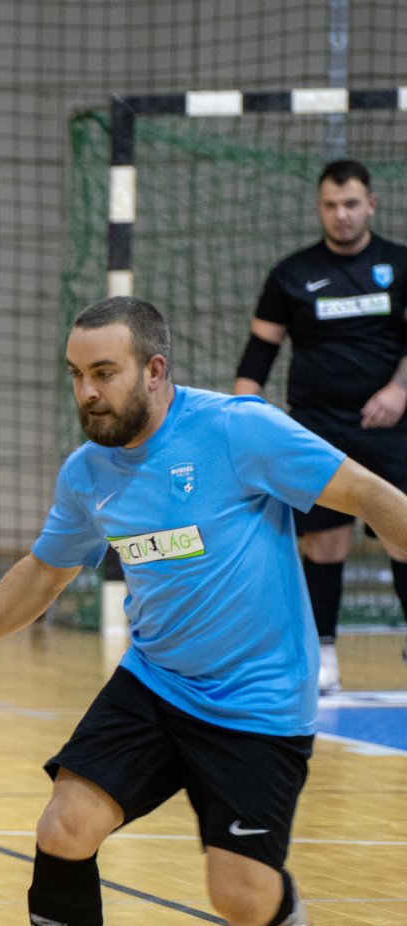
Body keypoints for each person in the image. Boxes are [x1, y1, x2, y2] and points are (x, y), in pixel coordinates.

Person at [0, 297, 407, 926]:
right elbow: (47, 568)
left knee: (238, 897)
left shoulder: (238, 431)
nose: (87, 393)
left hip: (258, 702)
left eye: (103, 373)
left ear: (155, 370)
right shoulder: (88, 473)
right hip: (156, 681)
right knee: (63, 828)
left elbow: (373, 498)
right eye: (76, 375)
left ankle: (284, 914)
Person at [234, 159, 407, 694]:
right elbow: (258, 356)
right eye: (331, 205)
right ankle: (323, 655)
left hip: (392, 432)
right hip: (317, 434)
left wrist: (400, 389)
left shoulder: (399, 265)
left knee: (403, 538)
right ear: (319, 208)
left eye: (351, 203)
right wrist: (245, 415)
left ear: (371, 205)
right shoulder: (291, 273)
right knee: (325, 544)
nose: (341, 215)